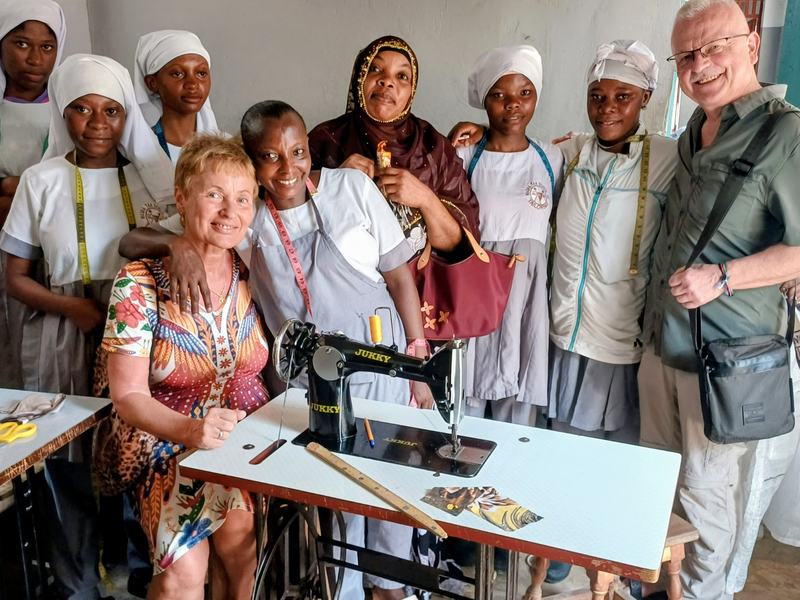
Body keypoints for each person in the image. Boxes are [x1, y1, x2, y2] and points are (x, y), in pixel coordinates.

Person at [639, 1, 800, 598]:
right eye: (686, 54)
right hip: (662, 347)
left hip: (726, 365)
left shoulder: (787, 132)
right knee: (658, 490)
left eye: (714, 48)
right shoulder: (694, 131)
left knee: (705, 506)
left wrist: (723, 278)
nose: (700, 64)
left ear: (752, 45)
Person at [0, 53, 173, 600]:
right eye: (80, 109)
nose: (98, 123)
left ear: (127, 117)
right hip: (64, 326)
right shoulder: (41, 179)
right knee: (68, 453)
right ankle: (77, 583)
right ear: (62, 116)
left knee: (134, 444)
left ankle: (147, 567)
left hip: (136, 327)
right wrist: (72, 308)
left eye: (111, 111)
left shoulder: (149, 179)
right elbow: (15, 278)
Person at [102, 133, 268, 600]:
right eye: (213, 194)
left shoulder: (251, 270)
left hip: (242, 445)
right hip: (167, 447)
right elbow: (128, 396)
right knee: (182, 576)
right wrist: (192, 431)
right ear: (181, 197)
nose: (228, 211)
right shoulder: (139, 283)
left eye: (242, 199)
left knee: (241, 554)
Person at [548, 40, 675, 443]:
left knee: (611, 461)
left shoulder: (668, 158)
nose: (608, 108)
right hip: (563, 336)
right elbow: (517, 151)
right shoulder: (573, 152)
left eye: (624, 97)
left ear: (646, 98)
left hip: (620, 343)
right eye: (597, 96)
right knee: (558, 450)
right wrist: (479, 129)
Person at [457, 44, 561, 426]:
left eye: (524, 93)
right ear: (484, 101)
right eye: (499, 95)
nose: (513, 104)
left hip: (527, 294)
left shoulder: (553, 159)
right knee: (468, 393)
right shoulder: (467, 157)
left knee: (518, 404)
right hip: (478, 291)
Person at [308, 35, 480, 255]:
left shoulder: (435, 148)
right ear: (359, 78)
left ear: (412, 91)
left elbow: (464, 244)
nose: (387, 82)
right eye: (375, 69)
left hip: (421, 285)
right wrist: (332, 182)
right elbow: (285, 219)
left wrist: (426, 200)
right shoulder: (325, 140)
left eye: (401, 76)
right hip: (342, 285)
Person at [0, 0, 65, 389]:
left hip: (56, 253)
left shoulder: (72, 108)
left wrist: (13, 186)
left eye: (47, 46)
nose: (35, 58)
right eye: (21, 44)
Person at [134, 29, 218, 166]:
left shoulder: (228, 150)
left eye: (201, 73)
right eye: (178, 74)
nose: (192, 84)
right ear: (152, 83)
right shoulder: (138, 152)